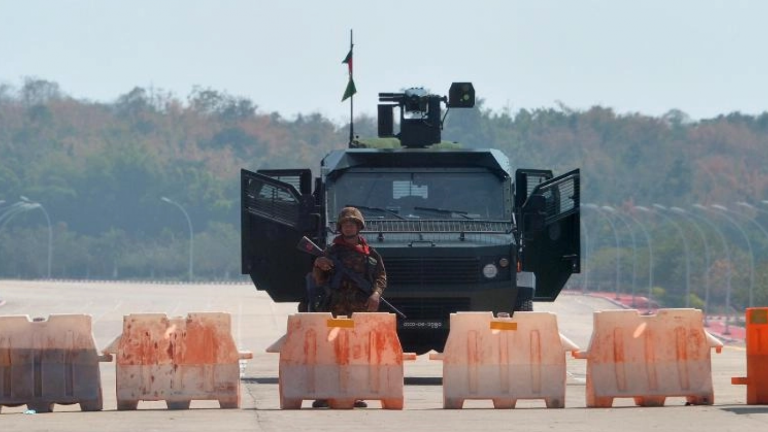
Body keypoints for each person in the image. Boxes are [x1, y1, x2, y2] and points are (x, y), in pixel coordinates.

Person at [309, 206, 387, 408]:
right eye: (345, 225)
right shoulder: (332, 251)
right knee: (330, 352)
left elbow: (381, 278)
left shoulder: (370, 254)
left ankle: (356, 394)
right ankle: (326, 394)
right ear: (340, 228)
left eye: (352, 224)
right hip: (336, 309)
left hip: (359, 311)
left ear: (359, 226)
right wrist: (319, 263)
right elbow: (319, 280)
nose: (349, 228)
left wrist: (376, 295)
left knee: (357, 352)